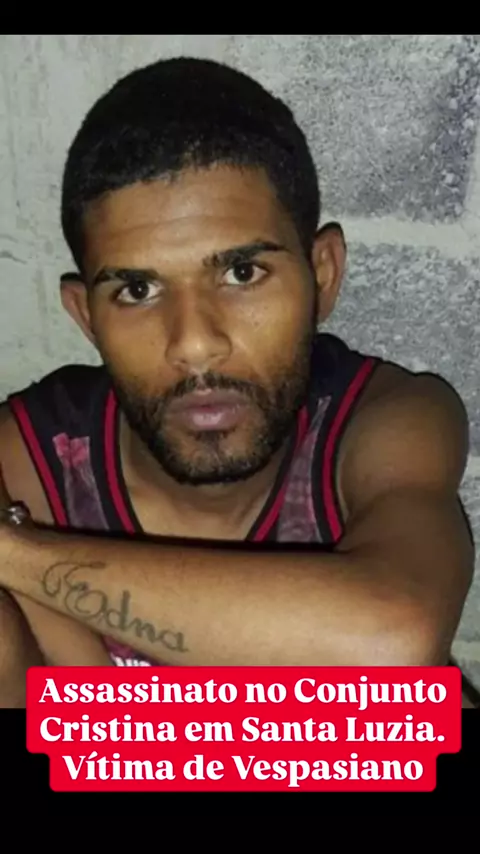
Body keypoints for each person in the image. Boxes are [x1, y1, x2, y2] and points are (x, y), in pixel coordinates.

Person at [0, 57, 476, 706]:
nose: (195, 343)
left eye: (242, 274)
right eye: (137, 290)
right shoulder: (36, 458)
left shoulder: (382, 423)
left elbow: (391, 645)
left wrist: (16, 553)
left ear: (322, 275)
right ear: (87, 316)